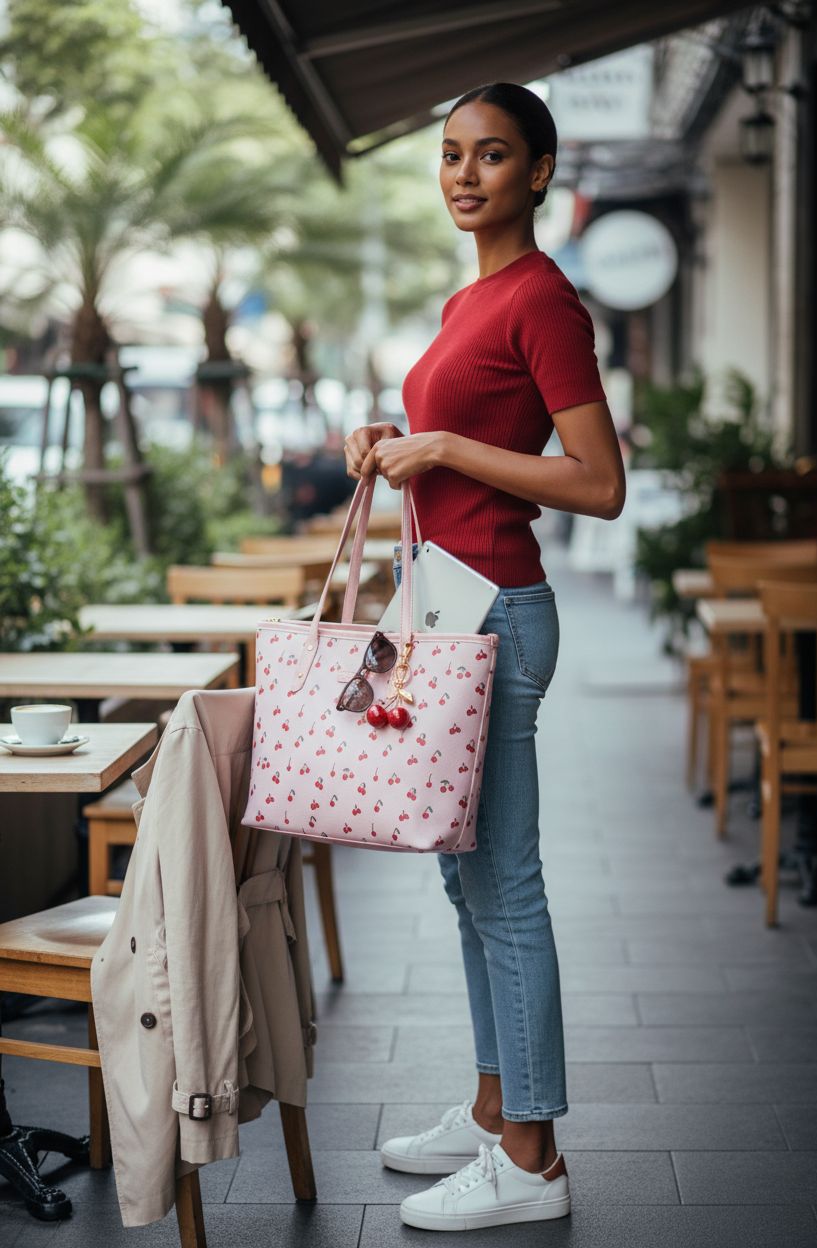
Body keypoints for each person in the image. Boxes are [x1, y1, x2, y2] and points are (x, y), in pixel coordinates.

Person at [343, 81, 626, 1232]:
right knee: (466, 881)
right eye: (452, 155)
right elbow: (463, 453)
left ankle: (535, 1160)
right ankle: (488, 1113)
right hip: (446, 608)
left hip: (496, 613)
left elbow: (598, 484)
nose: (464, 174)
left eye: (493, 155)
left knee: (504, 886)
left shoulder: (544, 301)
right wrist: (389, 441)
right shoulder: (475, 300)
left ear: (541, 172)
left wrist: (448, 442)